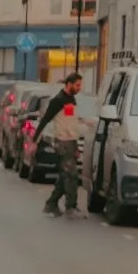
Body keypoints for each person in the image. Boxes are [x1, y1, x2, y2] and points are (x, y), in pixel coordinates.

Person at [42, 88, 82, 217]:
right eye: (77, 85)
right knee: (71, 173)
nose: (79, 88)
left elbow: (71, 124)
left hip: (67, 142)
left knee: (66, 174)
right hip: (64, 142)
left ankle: (51, 203)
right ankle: (70, 207)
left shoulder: (69, 103)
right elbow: (68, 126)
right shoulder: (63, 102)